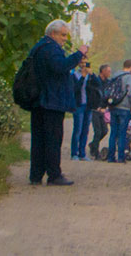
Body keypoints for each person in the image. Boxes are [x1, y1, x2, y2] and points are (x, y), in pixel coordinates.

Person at [27, 20, 89, 186]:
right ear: (52, 34)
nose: (64, 39)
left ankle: (36, 174)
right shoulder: (51, 49)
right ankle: (54, 174)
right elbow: (60, 67)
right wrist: (78, 54)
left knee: (39, 139)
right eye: (62, 35)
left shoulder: (38, 48)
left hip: (39, 100)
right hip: (51, 101)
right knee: (53, 138)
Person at [105, 60, 131, 164]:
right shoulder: (130, 77)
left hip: (113, 107)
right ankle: (121, 157)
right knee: (122, 133)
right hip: (125, 107)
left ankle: (110, 157)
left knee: (113, 132)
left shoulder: (115, 76)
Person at [68, 61, 93, 161]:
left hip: (88, 105)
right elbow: (75, 89)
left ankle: (82, 153)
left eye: (85, 63)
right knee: (77, 129)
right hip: (79, 105)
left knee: (85, 130)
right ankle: (74, 153)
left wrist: (92, 75)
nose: (83, 65)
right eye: (81, 62)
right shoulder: (74, 75)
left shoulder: (89, 76)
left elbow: (97, 85)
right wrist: (82, 77)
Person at [88, 64, 110, 159]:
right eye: (108, 71)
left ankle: (93, 144)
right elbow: (92, 94)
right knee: (98, 131)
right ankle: (95, 152)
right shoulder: (95, 81)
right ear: (103, 71)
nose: (110, 73)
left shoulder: (108, 82)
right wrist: (95, 106)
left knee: (104, 130)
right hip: (95, 109)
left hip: (103, 109)